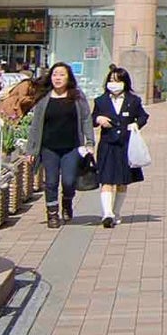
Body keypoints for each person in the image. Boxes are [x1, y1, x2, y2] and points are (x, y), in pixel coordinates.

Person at [87, 66, 150, 227]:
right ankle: (107, 213)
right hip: (108, 145)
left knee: (122, 181)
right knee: (106, 179)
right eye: (111, 80)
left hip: (125, 145)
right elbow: (92, 119)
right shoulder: (101, 100)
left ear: (124, 83)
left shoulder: (133, 101)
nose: (113, 84)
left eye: (117, 81)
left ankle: (116, 211)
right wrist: (99, 119)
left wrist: (136, 124)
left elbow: (143, 116)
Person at [31, 62, 89, 224]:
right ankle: (52, 214)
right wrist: (31, 150)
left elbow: (85, 119)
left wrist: (89, 141)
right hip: (49, 147)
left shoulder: (76, 96)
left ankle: (67, 202)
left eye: (62, 74)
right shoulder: (44, 99)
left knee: (69, 181)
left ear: (68, 77)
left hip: (71, 146)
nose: (58, 78)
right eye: (55, 74)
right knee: (51, 182)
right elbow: (36, 125)